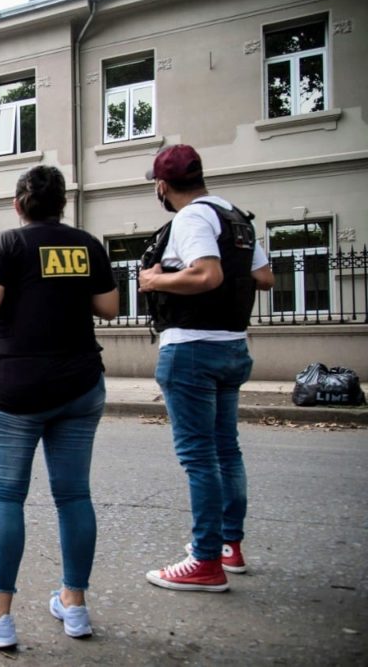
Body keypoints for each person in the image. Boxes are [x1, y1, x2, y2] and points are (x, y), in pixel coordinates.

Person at [0, 165, 119, 648]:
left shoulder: (11, 243)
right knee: (74, 496)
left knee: (6, 499)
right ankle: (74, 604)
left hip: (17, 389)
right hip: (80, 384)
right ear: (62, 204)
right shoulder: (86, 245)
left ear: (18, 204)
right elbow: (109, 307)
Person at [138, 144, 274, 592]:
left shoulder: (191, 218)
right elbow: (265, 277)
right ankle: (229, 545)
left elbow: (206, 274)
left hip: (192, 349)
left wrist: (156, 279)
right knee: (226, 450)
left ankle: (205, 561)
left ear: (162, 186)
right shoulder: (235, 217)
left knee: (199, 458)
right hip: (232, 346)